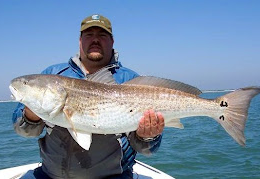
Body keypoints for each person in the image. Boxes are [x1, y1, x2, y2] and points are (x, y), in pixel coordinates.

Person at [12, 14, 165, 179]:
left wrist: (148, 135)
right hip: (49, 175)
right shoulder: (53, 74)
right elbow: (24, 131)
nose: (95, 40)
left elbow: (147, 149)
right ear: (80, 41)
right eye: (89, 35)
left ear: (112, 41)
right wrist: (31, 115)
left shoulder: (131, 81)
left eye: (102, 35)